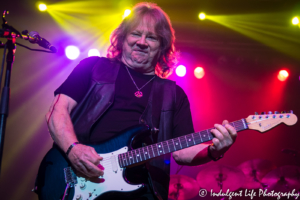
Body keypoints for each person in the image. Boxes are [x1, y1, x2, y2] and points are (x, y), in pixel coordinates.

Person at [40, 2, 237, 200]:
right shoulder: (93, 67)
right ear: (123, 38)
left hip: (142, 190)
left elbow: (182, 151)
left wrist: (214, 150)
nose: (142, 42)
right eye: (136, 34)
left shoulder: (174, 94)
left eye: (151, 37)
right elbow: (57, 111)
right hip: (76, 176)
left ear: (162, 46)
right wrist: (73, 149)